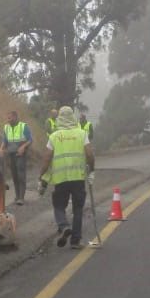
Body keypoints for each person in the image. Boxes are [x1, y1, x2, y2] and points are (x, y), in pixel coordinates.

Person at [37, 106, 95, 249]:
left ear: (59, 119)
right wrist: (91, 171)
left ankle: (63, 226)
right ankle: (76, 241)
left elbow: (47, 158)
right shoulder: (81, 134)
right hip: (78, 178)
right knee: (78, 208)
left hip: (61, 179)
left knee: (59, 206)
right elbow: (89, 154)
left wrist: (41, 177)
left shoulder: (54, 136)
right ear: (73, 117)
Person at [0, 110, 32, 205]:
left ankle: (21, 197)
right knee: (14, 175)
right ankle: (17, 196)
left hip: (20, 154)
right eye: (7, 118)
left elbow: (30, 140)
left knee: (21, 175)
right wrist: (1, 149)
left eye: (10, 118)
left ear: (15, 117)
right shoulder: (6, 127)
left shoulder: (23, 126)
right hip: (10, 154)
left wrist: (23, 147)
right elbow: (5, 140)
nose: (8, 120)